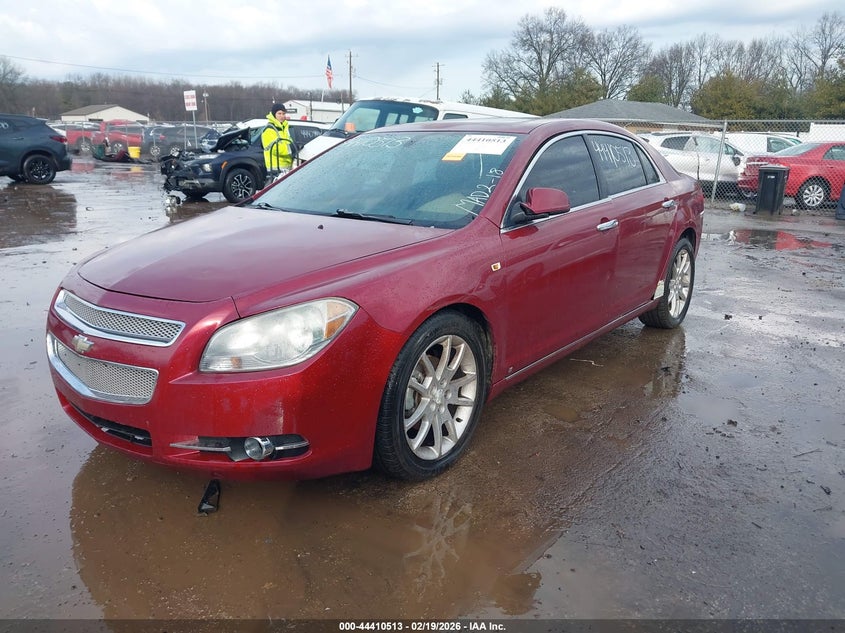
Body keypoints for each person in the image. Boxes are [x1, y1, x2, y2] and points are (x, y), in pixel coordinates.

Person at [261, 103, 294, 172]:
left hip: (286, 168)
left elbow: (289, 141)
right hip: (276, 169)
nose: (282, 116)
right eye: (279, 113)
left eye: (283, 113)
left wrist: (294, 146)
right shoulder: (269, 130)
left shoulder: (284, 128)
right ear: (274, 114)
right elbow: (275, 148)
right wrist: (291, 148)